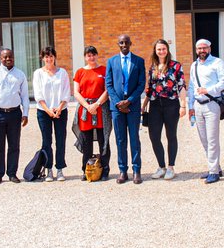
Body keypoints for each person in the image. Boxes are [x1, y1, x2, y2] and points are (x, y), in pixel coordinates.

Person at [140, 38, 186, 180]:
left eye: (164, 49)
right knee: (154, 136)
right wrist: (144, 105)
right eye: (159, 49)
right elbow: (149, 89)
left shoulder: (176, 66)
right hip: (154, 105)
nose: (161, 51)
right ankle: (161, 166)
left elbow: (181, 86)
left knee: (171, 135)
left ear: (167, 50)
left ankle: (171, 167)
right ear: (155, 51)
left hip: (171, 104)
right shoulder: (152, 67)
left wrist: (183, 105)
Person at [0, 47, 29, 184]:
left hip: (14, 113)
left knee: (14, 145)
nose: (8, 59)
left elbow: (25, 95)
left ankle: (12, 173)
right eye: (5, 57)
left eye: (10, 57)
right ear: (0, 59)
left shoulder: (20, 75)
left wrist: (25, 113)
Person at [105, 33, 146, 184]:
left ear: (130, 43)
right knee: (120, 139)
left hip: (133, 107)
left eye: (126, 42)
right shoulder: (111, 61)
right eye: (121, 43)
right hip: (117, 109)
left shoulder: (139, 61)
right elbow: (108, 84)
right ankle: (123, 171)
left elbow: (141, 84)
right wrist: (118, 103)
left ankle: (136, 170)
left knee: (134, 138)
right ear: (118, 44)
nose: (124, 45)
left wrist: (128, 101)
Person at [187, 38, 224, 184]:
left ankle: (214, 172)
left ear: (209, 48)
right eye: (199, 48)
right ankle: (215, 167)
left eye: (204, 48)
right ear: (196, 50)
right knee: (204, 139)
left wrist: (208, 90)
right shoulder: (194, 65)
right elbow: (191, 86)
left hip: (212, 104)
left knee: (212, 139)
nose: (202, 51)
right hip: (198, 105)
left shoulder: (217, 62)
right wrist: (190, 106)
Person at [32, 45, 71, 182]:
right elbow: (38, 94)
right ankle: (49, 169)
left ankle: (60, 169)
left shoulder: (62, 73)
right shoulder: (38, 73)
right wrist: (48, 110)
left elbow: (66, 92)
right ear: (42, 58)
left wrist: (59, 108)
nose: (49, 59)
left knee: (60, 140)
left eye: (51, 56)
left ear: (55, 57)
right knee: (46, 140)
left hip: (61, 110)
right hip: (44, 111)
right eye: (46, 56)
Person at [73, 45, 111, 181]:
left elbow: (107, 90)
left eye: (93, 54)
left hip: (101, 108)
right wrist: (87, 106)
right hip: (85, 110)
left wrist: (96, 104)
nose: (91, 57)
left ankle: (105, 169)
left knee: (103, 140)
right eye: (88, 55)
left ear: (97, 55)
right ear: (85, 57)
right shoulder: (80, 72)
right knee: (86, 142)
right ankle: (86, 169)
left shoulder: (104, 70)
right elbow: (76, 92)